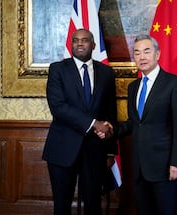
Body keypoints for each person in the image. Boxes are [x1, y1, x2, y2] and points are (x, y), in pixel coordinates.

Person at [98, 34, 177, 215]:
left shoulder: (175, 84)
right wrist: (111, 130)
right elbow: (134, 123)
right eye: (137, 53)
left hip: (165, 167)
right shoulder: (134, 87)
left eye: (147, 51)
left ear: (157, 54)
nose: (142, 57)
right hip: (139, 167)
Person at [42, 28, 117, 215]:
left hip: (94, 149)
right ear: (71, 44)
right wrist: (94, 123)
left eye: (84, 40)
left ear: (93, 45)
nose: (80, 43)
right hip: (62, 147)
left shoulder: (106, 73)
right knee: (62, 205)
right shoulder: (57, 69)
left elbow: (110, 112)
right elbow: (58, 107)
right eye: (75, 40)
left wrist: (110, 151)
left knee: (93, 205)